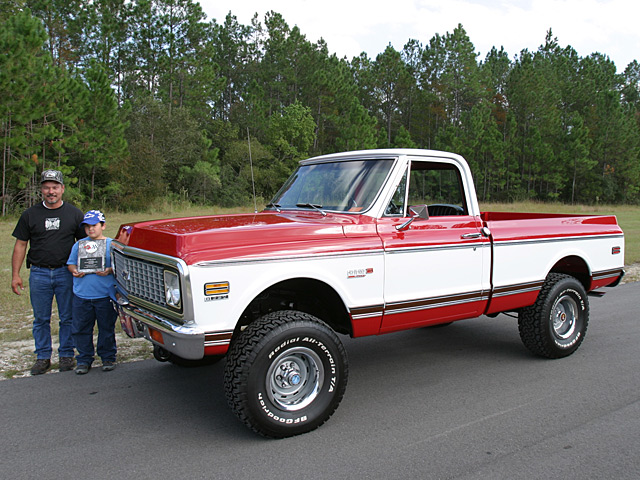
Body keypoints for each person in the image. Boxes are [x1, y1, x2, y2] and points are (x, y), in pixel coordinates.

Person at [11, 170, 85, 375]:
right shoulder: (30, 215)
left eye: (55, 187)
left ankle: (66, 355)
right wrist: (15, 275)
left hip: (65, 273)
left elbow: (85, 244)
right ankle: (43, 356)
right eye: (46, 187)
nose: (50, 191)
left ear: (62, 189)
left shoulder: (75, 214)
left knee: (67, 317)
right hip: (39, 274)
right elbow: (20, 244)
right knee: (41, 318)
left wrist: (88, 269)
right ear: (41, 190)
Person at [67, 210, 117, 374]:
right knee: (81, 328)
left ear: (103, 226)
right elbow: (71, 264)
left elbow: (120, 266)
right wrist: (75, 271)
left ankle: (108, 357)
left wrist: (109, 270)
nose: (90, 229)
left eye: (94, 225)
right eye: (87, 226)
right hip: (82, 295)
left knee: (106, 328)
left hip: (104, 295)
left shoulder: (112, 244)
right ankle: (84, 359)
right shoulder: (79, 244)